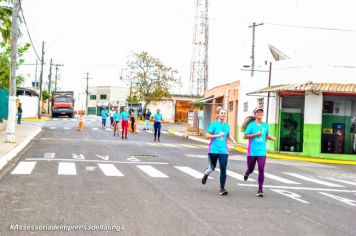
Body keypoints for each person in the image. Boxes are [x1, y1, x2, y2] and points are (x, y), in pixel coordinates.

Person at [242, 107, 276, 197]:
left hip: (262, 151)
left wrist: (271, 138)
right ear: (255, 114)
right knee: (251, 169)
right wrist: (255, 134)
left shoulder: (265, 125)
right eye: (258, 112)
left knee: (261, 169)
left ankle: (260, 189)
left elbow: (266, 135)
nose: (260, 113)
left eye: (261, 112)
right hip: (252, 151)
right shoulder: (251, 125)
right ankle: (247, 172)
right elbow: (245, 136)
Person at [201, 108, 236, 195]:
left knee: (223, 168)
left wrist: (233, 140)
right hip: (213, 150)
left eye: (224, 113)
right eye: (221, 113)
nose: (223, 115)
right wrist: (217, 135)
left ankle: (222, 188)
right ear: (218, 115)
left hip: (223, 150)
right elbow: (207, 136)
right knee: (211, 168)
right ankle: (206, 174)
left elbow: (227, 135)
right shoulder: (213, 125)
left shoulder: (227, 126)